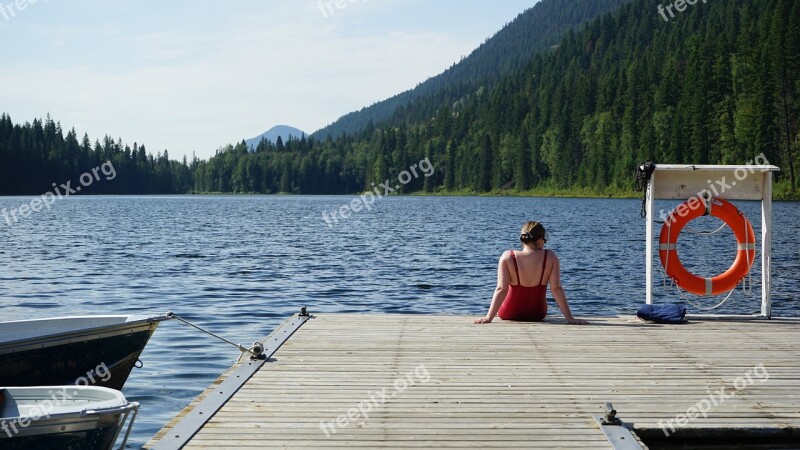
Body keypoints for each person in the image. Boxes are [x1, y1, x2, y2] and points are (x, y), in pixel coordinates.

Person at [474, 221, 588, 325]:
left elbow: (501, 289)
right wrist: (570, 318)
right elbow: (556, 288)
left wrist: (489, 317)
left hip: (509, 312)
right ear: (539, 241)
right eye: (545, 240)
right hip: (537, 313)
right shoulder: (550, 257)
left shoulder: (508, 257)